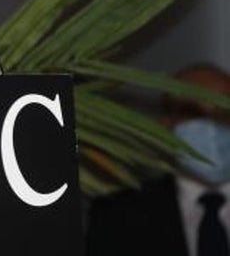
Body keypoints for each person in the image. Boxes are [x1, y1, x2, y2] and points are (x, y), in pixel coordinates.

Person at [86, 63, 230, 256]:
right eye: (193, 113)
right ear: (165, 124)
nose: (211, 128)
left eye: (224, 114)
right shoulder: (118, 215)